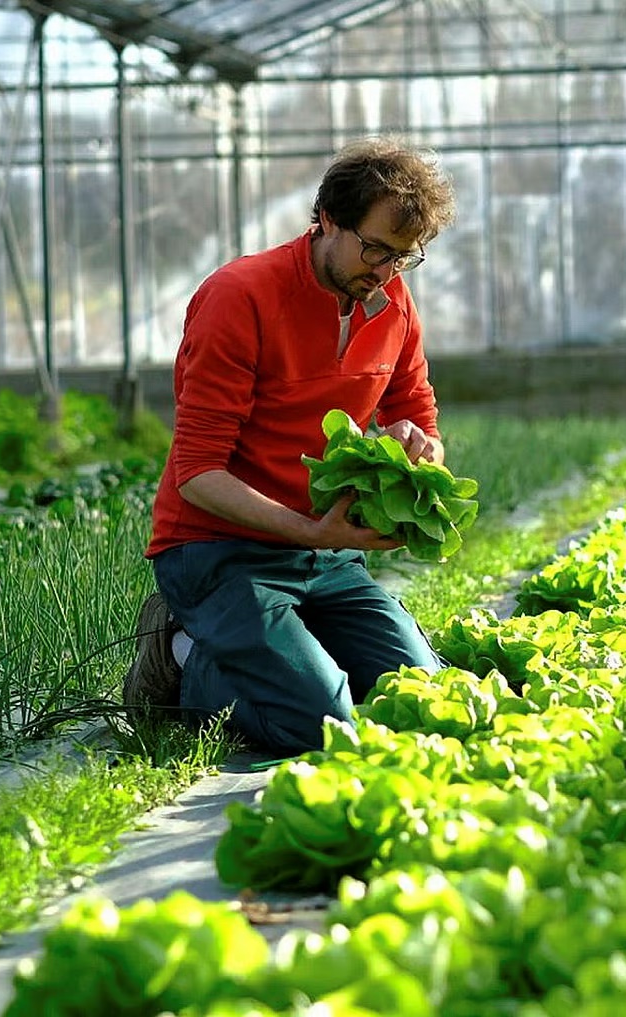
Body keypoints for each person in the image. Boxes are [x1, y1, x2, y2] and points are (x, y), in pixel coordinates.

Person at [121, 137, 455, 757]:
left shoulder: (391, 302)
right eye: (374, 248)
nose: (383, 273)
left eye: (403, 258)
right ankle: (180, 653)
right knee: (321, 725)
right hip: (219, 550)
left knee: (420, 700)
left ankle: (292, 659)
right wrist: (311, 532)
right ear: (327, 218)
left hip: (324, 556)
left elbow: (415, 409)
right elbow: (198, 473)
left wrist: (420, 446)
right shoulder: (240, 296)